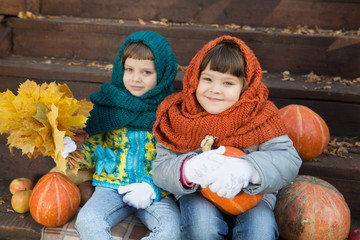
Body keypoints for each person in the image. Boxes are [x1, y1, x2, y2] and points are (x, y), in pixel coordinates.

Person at [152, 35, 302, 240]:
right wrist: (188, 170)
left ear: (245, 87)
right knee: (201, 227)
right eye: (207, 79)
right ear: (194, 78)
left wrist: (249, 169)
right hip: (197, 195)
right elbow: (161, 167)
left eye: (228, 83)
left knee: (260, 229)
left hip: (252, 195)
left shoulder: (261, 115)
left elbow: (288, 159)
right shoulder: (178, 115)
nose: (215, 89)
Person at [74, 31, 181, 240]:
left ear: (162, 74)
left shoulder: (170, 113)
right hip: (110, 187)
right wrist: (74, 150)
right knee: (87, 221)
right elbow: (93, 151)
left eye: (146, 72)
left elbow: (175, 161)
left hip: (153, 191)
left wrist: (152, 188)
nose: (136, 78)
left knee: (173, 230)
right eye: (129, 69)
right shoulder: (108, 107)